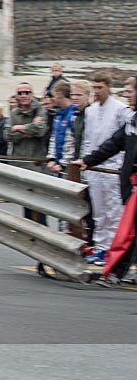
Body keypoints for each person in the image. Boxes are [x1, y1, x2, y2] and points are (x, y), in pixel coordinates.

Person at [73, 76, 137, 285]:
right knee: (129, 230)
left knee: (127, 230)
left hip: (132, 182)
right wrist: (88, 160)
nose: (126, 95)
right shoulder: (132, 120)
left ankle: (117, 273)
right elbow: (114, 144)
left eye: (130, 91)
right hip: (130, 183)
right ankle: (118, 272)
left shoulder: (124, 113)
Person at [5, 81, 48, 225]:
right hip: (20, 164)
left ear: (32, 94)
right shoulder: (14, 112)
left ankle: (42, 233)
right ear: (16, 96)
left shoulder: (40, 109)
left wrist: (19, 127)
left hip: (37, 164)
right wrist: (29, 129)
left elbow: (40, 130)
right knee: (26, 205)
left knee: (39, 206)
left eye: (27, 92)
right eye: (20, 93)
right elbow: (7, 135)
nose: (24, 95)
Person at [45, 81, 76, 174]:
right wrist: (51, 158)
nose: (52, 99)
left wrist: (63, 164)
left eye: (53, 96)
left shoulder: (74, 114)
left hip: (69, 166)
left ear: (58, 95)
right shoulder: (58, 115)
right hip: (57, 164)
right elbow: (53, 138)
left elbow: (72, 142)